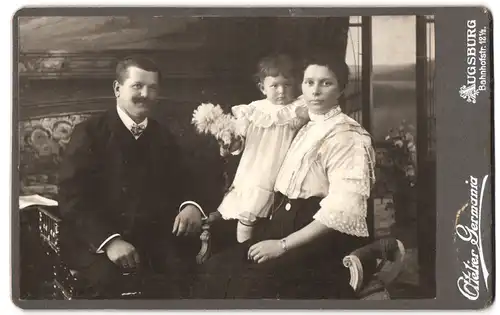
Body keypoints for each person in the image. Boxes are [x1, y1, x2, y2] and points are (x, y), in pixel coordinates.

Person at [192, 50, 376, 299]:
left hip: (314, 243)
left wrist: (282, 245)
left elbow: (341, 212)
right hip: (277, 229)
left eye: (326, 83)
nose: (315, 91)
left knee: (248, 287)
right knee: (216, 270)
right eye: (309, 83)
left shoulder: (347, 136)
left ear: (341, 89)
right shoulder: (305, 126)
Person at [57, 56, 207, 298]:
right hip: (97, 241)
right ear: (118, 89)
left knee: (182, 279)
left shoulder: (163, 136)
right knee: (107, 285)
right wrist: (109, 241)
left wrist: (190, 205)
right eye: (137, 86)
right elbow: (72, 198)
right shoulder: (90, 133)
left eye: (152, 87)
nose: (145, 94)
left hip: (153, 239)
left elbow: (185, 179)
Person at [208, 53, 309, 243]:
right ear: (263, 88)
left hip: (284, 166)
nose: (281, 91)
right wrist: (231, 143)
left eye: (287, 85)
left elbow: (308, 123)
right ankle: (243, 246)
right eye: (275, 86)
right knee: (249, 211)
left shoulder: (297, 107)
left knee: (276, 214)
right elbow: (241, 143)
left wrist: (302, 119)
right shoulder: (253, 110)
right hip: (258, 166)